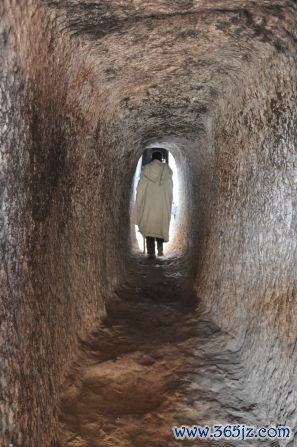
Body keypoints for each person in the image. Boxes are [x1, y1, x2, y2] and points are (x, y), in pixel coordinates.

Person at [132, 150, 173, 258]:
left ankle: (151, 252)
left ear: (152, 158)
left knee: (149, 227)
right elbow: (170, 190)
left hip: (149, 205)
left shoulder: (147, 169)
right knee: (159, 226)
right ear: (161, 158)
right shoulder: (167, 170)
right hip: (161, 205)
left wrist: (140, 201)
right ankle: (160, 248)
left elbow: (140, 188)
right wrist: (168, 202)